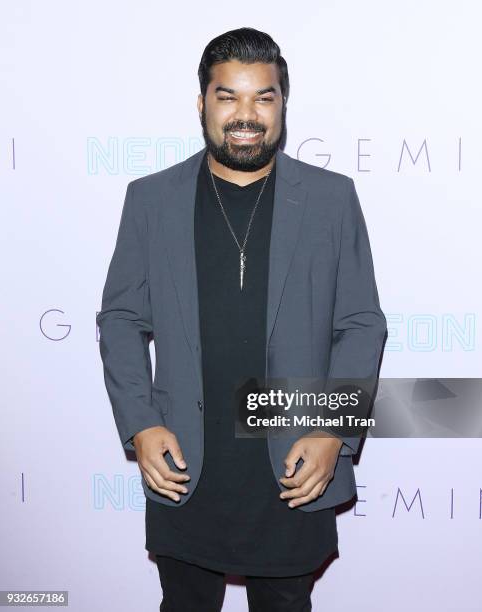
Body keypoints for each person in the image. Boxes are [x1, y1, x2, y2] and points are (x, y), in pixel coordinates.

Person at [96, 27, 387, 612]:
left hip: (293, 466)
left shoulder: (331, 198)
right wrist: (141, 423)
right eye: (228, 97)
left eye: (264, 97)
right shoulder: (151, 199)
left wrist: (334, 432)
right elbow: (122, 317)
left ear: (283, 103)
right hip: (185, 468)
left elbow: (361, 323)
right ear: (202, 102)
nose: (246, 115)